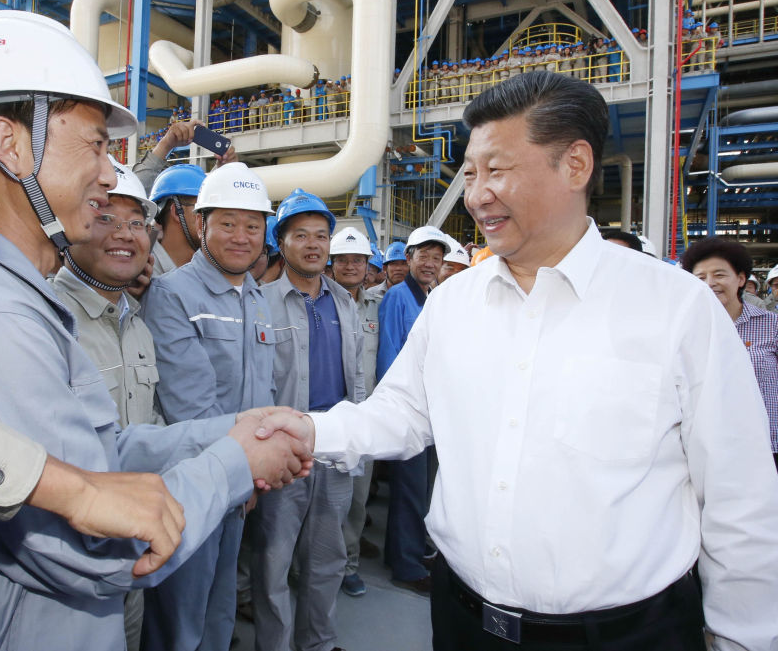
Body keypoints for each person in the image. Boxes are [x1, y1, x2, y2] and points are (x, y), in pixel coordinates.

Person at [0, 10, 309, 651]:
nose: (109, 174)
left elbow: (92, 461)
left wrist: (224, 431)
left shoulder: (5, 299)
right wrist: (236, 462)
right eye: (95, 145)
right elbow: (101, 546)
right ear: (11, 145)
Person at [260, 71, 778, 650]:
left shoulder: (676, 309)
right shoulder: (453, 303)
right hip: (462, 622)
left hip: (624, 636)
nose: (477, 194)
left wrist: (743, 638)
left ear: (575, 165)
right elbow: (402, 412)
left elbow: (739, 495)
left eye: (497, 170)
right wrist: (309, 431)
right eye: (471, 173)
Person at [142, 162, 278, 651]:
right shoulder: (172, 295)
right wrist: (243, 470)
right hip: (193, 484)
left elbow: (264, 390)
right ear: (201, 224)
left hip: (241, 483)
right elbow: (190, 406)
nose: (241, 237)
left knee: (220, 606)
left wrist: (252, 474)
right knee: (182, 615)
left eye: (253, 226)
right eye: (228, 223)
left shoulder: (257, 298)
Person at [51, 159, 164, 651]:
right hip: (64, 562)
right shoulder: (48, 320)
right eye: (104, 217)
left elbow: (148, 426)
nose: (124, 234)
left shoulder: (137, 325)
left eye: (136, 223)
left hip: (130, 549)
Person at [254, 191, 366, 651]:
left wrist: (358, 439)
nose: (314, 244)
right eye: (301, 235)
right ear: (281, 243)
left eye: (321, 235)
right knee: (273, 564)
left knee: (327, 557)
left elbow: (357, 377)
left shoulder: (345, 303)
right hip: (283, 450)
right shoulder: (260, 302)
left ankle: (318, 642)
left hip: (334, 445)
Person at [377, 225, 449, 595]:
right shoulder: (397, 298)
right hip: (409, 409)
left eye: (437, 258)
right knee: (408, 489)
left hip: (430, 408)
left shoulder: (429, 296)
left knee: (422, 488)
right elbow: (389, 354)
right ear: (409, 258)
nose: (430, 263)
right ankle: (405, 565)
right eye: (424, 255)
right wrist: (395, 409)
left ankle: (413, 549)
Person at [682, 237, 778, 471]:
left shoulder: (771, 325)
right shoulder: (684, 329)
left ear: (741, 279)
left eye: (719, 275)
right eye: (700, 277)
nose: (710, 283)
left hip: (766, 445)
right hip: (707, 448)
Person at [328, 227, 382, 597]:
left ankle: (348, 565)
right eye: (343, 260)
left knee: (356, 500)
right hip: (328, 417)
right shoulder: (317, 303)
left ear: (367, 266)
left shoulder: (377, 307)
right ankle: (313, 567)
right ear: (331, 264)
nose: (351, 266)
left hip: (365, 420)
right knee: (321, 502)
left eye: (358, 260)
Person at [149, 163, 205, 277]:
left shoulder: (208, 270)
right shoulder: (142, 273)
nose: (210, 219)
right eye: (201, 210)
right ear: (176, 212)